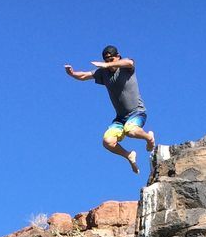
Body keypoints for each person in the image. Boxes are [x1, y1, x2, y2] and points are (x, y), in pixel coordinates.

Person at [64, 46, 156, 174]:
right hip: (120, 118)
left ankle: (149, 138)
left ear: (118, 56)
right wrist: (72, 74)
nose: (109, 63)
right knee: (107, 141)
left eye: (111, 59)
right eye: (107, 61)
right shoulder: (104, 73)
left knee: (131, 131)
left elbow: (129, 62)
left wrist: (107, 65)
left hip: (137, 112)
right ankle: (129, 155)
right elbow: (85, 75)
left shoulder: (126, 68)